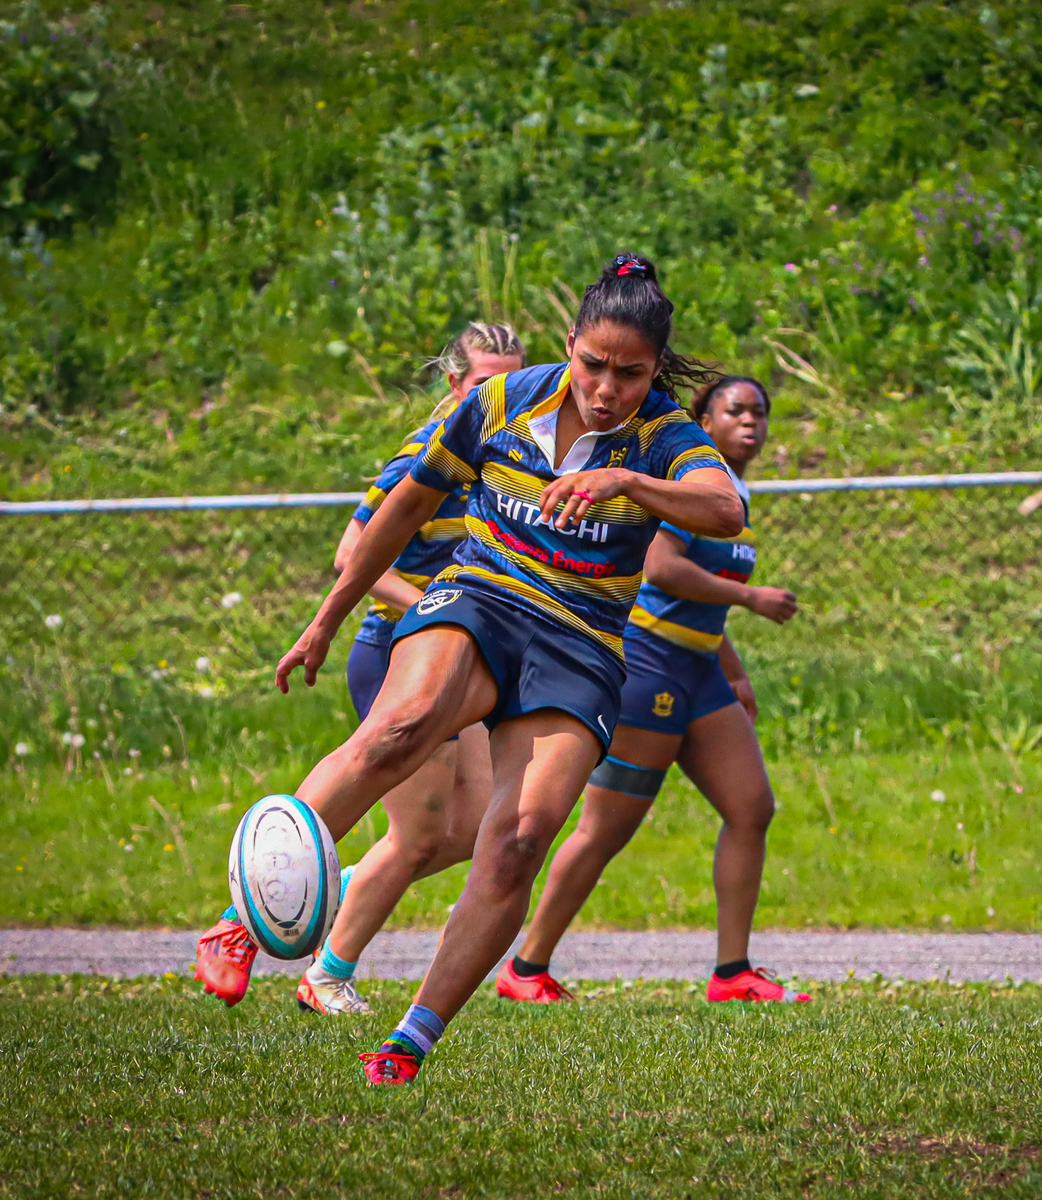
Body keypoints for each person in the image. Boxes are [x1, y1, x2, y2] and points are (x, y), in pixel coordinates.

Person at [257, 252, 742, 1086]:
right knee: (402, 726)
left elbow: (725, 506)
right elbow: (403, 504)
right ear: (570, 344)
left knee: (516, 840)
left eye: (629, 373)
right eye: (593, 363)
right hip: (481, 596)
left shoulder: (665, 436)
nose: (605, 388)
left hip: (582, 644)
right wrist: (326, 618)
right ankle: (246, 909)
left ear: (654, 370)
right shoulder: (500, 400)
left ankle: (410, 1039)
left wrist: (625, 478)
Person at [494, 374, 808, 1005]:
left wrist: (735, 671)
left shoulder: (733, 494)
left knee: (752, 809)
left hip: (699, 674)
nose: (751, 422)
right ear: (704, 420)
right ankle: (525, 968)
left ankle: (732, 973)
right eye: (735, 411)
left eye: (760, 413)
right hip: (650, 668)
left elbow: (697, 604)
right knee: (605, 829)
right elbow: (662, 569)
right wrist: (750, 597)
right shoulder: (686, 484)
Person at [273, 325, 527, 1014]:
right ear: (455, 385)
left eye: (510, 381)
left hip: (456, 655)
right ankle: (323, 972)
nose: (497, 395)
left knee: (469, 831)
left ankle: (330, 889)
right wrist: (434, 611)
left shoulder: (514, 448)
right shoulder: (434, 440)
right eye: (482, 383)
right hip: (400, 650)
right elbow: (352, 547)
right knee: (417, 838)